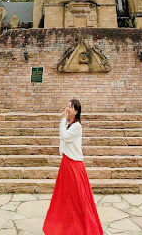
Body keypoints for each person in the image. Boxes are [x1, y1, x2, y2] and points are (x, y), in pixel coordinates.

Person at [43, 99, 103, 235]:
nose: (67, 108)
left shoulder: (77, 126)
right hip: (66, 163)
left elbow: (64, 137)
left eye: (70, 106)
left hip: (74, 166)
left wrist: (63, 119)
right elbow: (63, 141)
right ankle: (65, 226)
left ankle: (81, 227)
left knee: (77, 199)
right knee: (65, 197)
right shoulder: (69, 124)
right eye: (67, 106)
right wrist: (65, 120)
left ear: (76, 111)